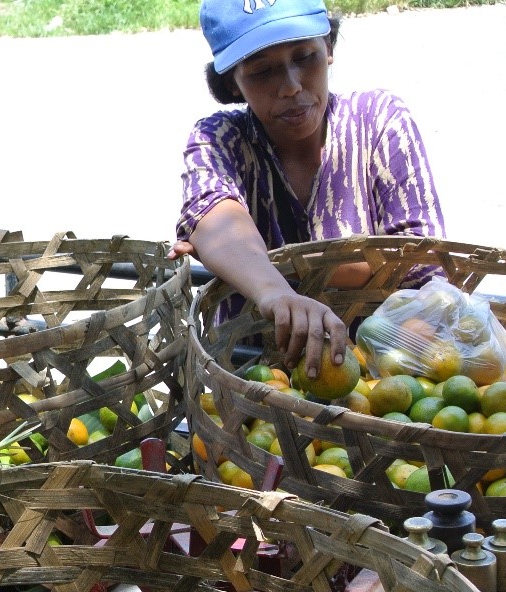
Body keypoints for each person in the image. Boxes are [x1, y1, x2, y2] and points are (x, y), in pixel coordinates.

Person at [171, 0, 446, 378]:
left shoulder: (380, 121)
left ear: (328, 48)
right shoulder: (220, 138)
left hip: (384, 381)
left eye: (305, 57)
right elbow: (214, 216)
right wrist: (277, 294)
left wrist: (252, 265)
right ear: (231, 82)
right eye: (262, 71)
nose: (291, 86)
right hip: (256, 379)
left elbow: (418, 260)